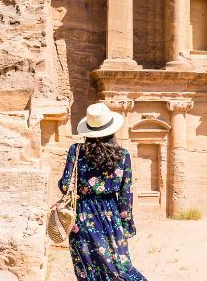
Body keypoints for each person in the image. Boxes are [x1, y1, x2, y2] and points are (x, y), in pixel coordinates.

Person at [59, 103, 146, 281]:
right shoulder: (123, 155)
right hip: (111, 216)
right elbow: (125, 194)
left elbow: (65, 186)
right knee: (119, 267)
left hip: (82, 216)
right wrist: (126, 224)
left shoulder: (76, 151)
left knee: (88, 268)